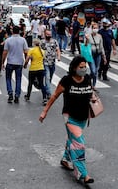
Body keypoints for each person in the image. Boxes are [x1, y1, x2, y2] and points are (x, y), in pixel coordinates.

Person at [39, 56, 94, 185]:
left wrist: (93, 99)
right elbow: (54, 96)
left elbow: (90, 93)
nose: (84, 69)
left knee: (72, 140)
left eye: (85, 66)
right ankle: (83, 174)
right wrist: (44, 111)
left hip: (83, 117)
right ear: (74, 68)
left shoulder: (87, 78)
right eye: (81, 67)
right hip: (70, 117)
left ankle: (65, 159)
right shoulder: (67, 80)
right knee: (79, 145)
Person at [2, 26, 29, 103]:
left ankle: (10, 93)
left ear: (12, 31)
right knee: (18, 79)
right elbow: (26, 52)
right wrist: (26, 62)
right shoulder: (23, 40)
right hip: (19, 62)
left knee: (8, 78)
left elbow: (5, 52)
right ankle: (17, 95)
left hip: (10, 61)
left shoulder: (8, 40)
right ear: (19, 31)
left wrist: (2, 62)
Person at [24, 38, 50, 105]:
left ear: (34, 43)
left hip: (33, 69)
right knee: (41, 84)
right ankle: (44, 98)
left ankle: (28, 96)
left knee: (30, 83)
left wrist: (25, 65)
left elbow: (27, 59)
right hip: (41, 69)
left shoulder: (31, 50)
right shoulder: (42, 51)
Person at [85, 22, 106, 88]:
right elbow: (86, 45)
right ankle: (88, 79)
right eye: (94, 28)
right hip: (91, 55)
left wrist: (104, 57)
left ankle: (93, 85)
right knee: (93, 71)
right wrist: (87, 39)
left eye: (96, 28)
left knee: (96, 71)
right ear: (91, 29)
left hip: (98, 54)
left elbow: (101, 46)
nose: (95, 29)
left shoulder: (99, 36)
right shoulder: (88, 35)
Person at [41, 29, 61, 96]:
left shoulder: (54, 41)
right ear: (45, 34)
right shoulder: (42, 42)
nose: (49, 35)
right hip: (45, 62)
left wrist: (58, 57)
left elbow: (58, 49)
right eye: (47, 34)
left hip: (52, 62)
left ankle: (47, 88)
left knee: (50, 77)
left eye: (50, 34)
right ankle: (49, 93)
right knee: (47, 77)